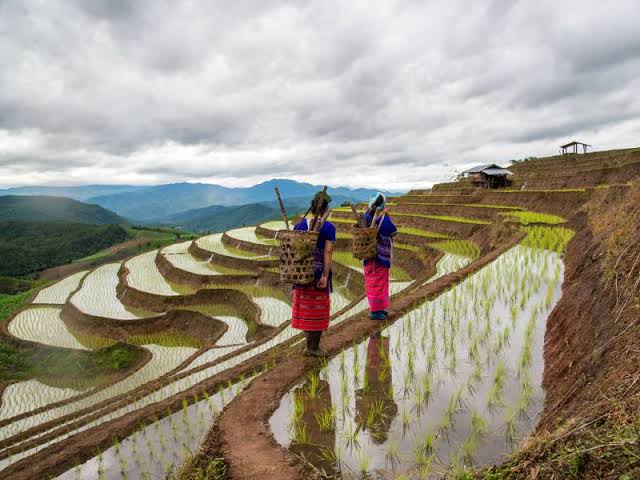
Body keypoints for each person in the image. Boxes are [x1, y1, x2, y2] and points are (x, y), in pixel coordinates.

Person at [291, 191, 336, 356]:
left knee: (305, 308)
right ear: (325, 209)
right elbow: (328, 252)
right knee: (317, 309)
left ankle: (308, 345)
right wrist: (325, 275)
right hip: (317, 273)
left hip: (301, 273)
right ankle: (313, 348)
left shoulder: (300, 225)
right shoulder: (328, 227)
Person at [363, 192, 397, 320]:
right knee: (379, 283)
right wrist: (387, 215)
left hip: (369, 258)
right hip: (381, 257)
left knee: (373, 282)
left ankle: (379, 308)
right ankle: (376, 311)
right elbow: (394, 231)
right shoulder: (383, 220)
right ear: (382, 205)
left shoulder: (366, 217)